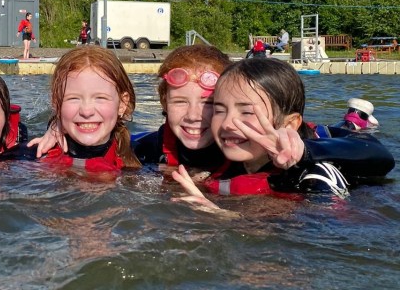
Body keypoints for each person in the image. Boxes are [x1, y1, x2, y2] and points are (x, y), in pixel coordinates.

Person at [173, 58, 395, 205]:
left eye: (247, 112)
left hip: (324, 141)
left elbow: (382, 157)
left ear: (288, 124)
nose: (228, 123)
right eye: (219, 110)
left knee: (345, 130)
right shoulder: (218, 154)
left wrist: (303, 154)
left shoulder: (311, 176)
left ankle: (356, 118)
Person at [25, 46, 142, 172]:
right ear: (56, 103)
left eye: (100, 98)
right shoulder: (29, 158)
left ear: (122, 104)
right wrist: (55, 123)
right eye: (73, 98)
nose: (86, 112)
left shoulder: (145, 156)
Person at [133, 45, 231, 172]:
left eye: (208, 103)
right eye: (180, 102)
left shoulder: (247, 156)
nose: (193, 116)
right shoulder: (139, 154)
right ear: (164, 102)